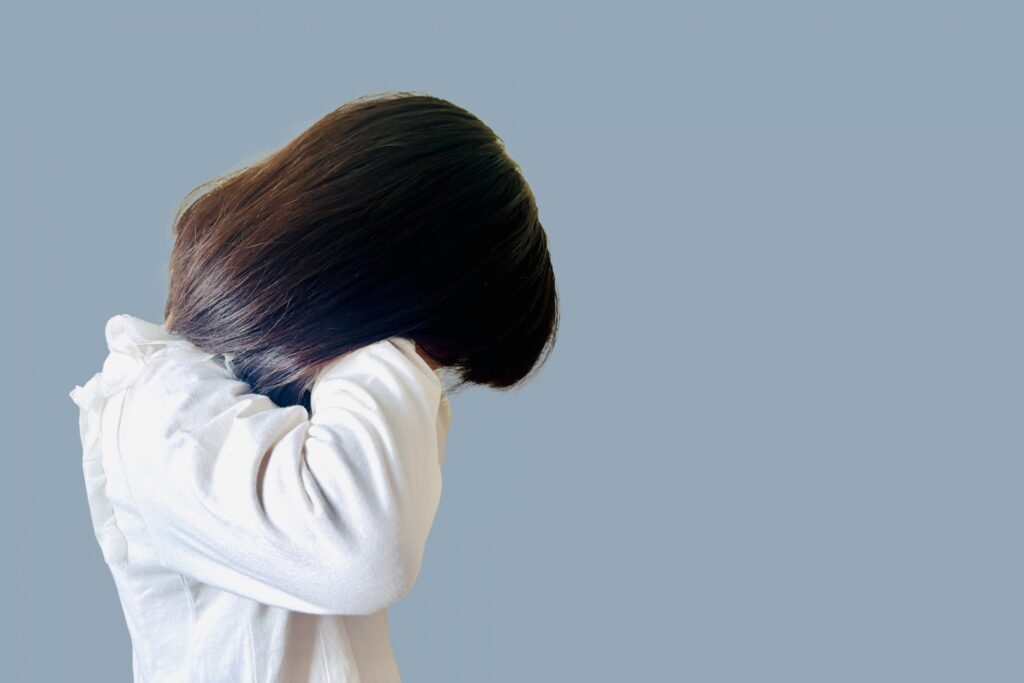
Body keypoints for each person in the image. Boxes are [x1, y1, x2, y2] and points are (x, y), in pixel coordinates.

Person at [68, 91, 559, 683]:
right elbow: (364, 552)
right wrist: (383, 331)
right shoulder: (161, 405)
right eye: (430, 348)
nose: (422, 375)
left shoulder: (275, 407)